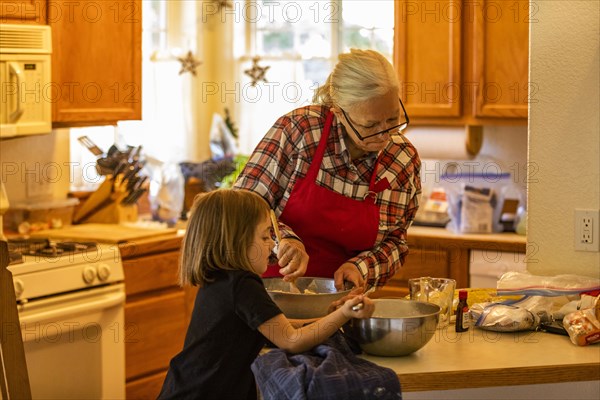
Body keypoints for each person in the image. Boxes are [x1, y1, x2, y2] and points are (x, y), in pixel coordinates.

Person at [157, 189, 374, 400]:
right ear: (236, 241)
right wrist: (343, 315)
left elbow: (281, 326)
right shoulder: (243, 283)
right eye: (264, 237)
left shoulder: (222, 278)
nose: (272, 244)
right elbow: (291, 340)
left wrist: (332, 316)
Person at [234, 49, 421, 291]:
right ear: (338, 112)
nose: (385, 134)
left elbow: (395, 242)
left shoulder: (401, 159)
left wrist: (361, 267)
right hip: (266, 294)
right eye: (371, 124)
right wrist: (283, 240)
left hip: (340, 302)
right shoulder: (299, 131)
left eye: (393, 120)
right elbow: (241, 208)